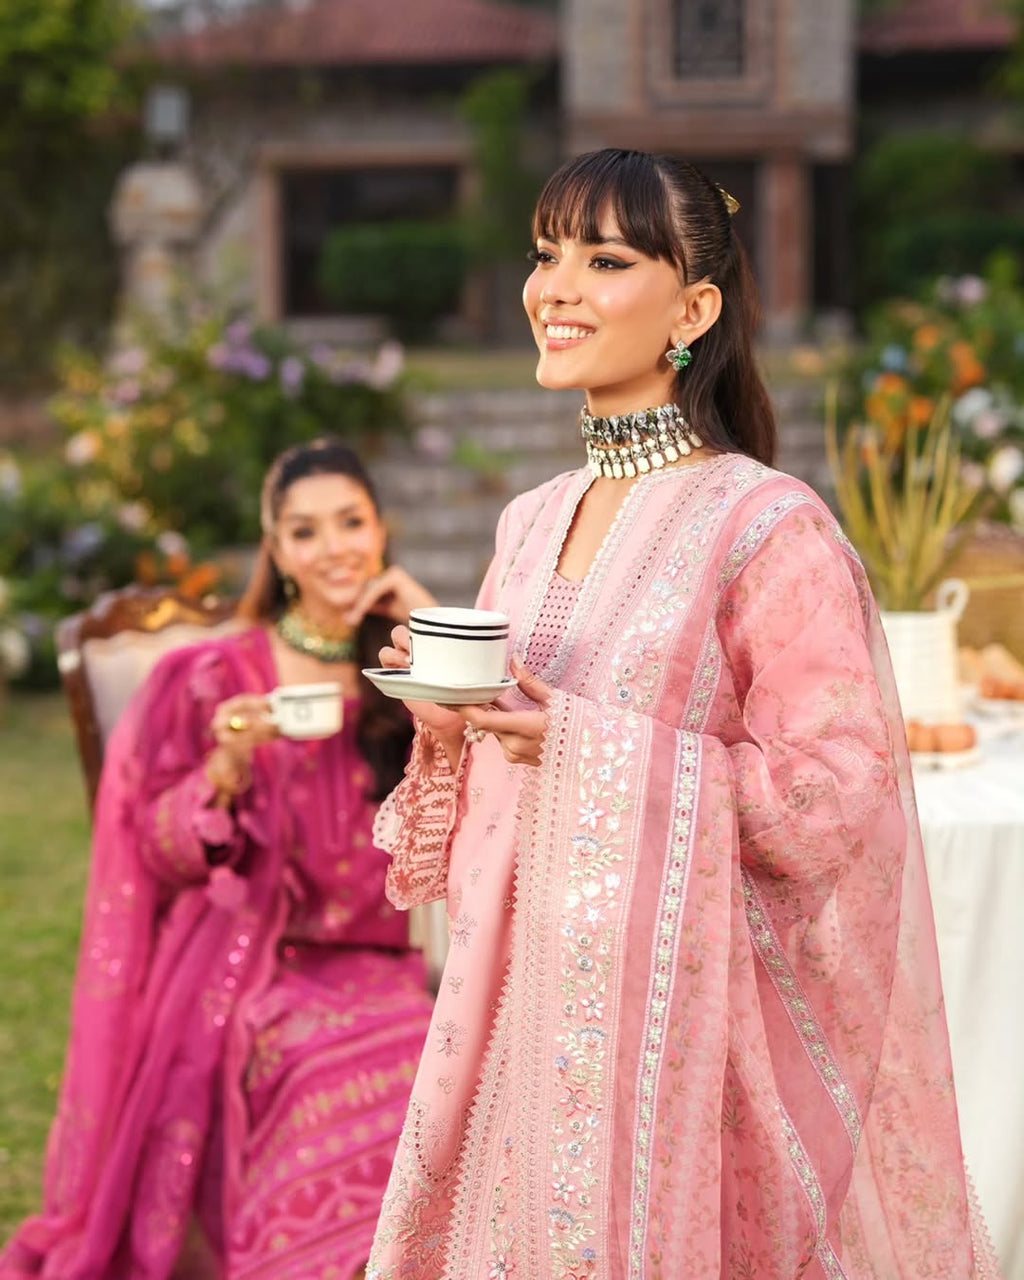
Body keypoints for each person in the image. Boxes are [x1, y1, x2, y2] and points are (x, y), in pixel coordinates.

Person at [365, 150, 1001, 1279]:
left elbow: (837, 784)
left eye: (603, 259)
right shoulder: (531, 518)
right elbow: (511, 763)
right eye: (545, 252)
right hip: (513, 1019)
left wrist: (592, 752)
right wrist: (453, 710)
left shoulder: (764, 525)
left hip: (675, 1044)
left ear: (693, 309)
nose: (552, 288)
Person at [1, 438, 437, 1280]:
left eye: (352, 522)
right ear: (276, 552)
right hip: (256, 964)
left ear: (383, 531)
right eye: (305, 532)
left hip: (376, 960)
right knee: (315, 1061)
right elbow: (159, 847)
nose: (334, 547)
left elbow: (489, 799)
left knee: (433, 1054)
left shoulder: (410, 670)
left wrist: (422, 624)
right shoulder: (214, 676)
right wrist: (228, 762)